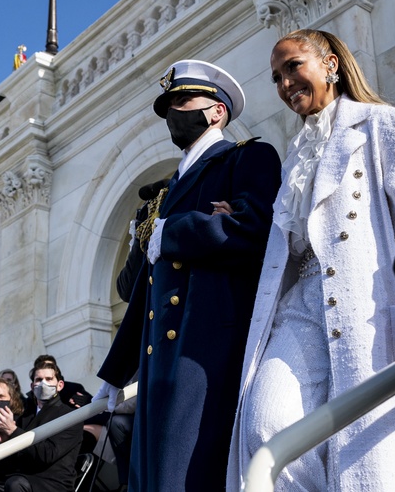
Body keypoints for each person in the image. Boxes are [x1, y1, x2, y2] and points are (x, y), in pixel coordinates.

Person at [226, 29, 395, 490]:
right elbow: (295, 242)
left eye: (293, 66)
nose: (285, 84)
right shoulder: (293, 157)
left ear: (331, 65)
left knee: (376, 449)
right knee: (266, 423)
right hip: (300, 304)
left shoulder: (383, 124)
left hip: (370, 296)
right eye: (277, 77)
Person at [97, 59, 282, 490]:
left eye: (183, 100)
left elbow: (254, 231)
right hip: (159, 359)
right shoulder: (166, 192)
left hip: (208, 349)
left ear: (217, 111)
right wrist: (116, 369)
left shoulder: (247, 158)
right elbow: (139, 288)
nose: (173, 113)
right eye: (168, 105)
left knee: (191, 475)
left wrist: (175, 230)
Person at [0, 361, 83, 492]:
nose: (43, 383)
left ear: (60, 385)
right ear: (32, 386)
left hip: (50, 484)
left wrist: (13, 431)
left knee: (15, 484)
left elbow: (48, 454)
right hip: (14, 479)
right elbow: (9, 463)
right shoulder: (24, 416)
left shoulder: (70, 416)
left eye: (48, 379)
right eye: (39, 379)